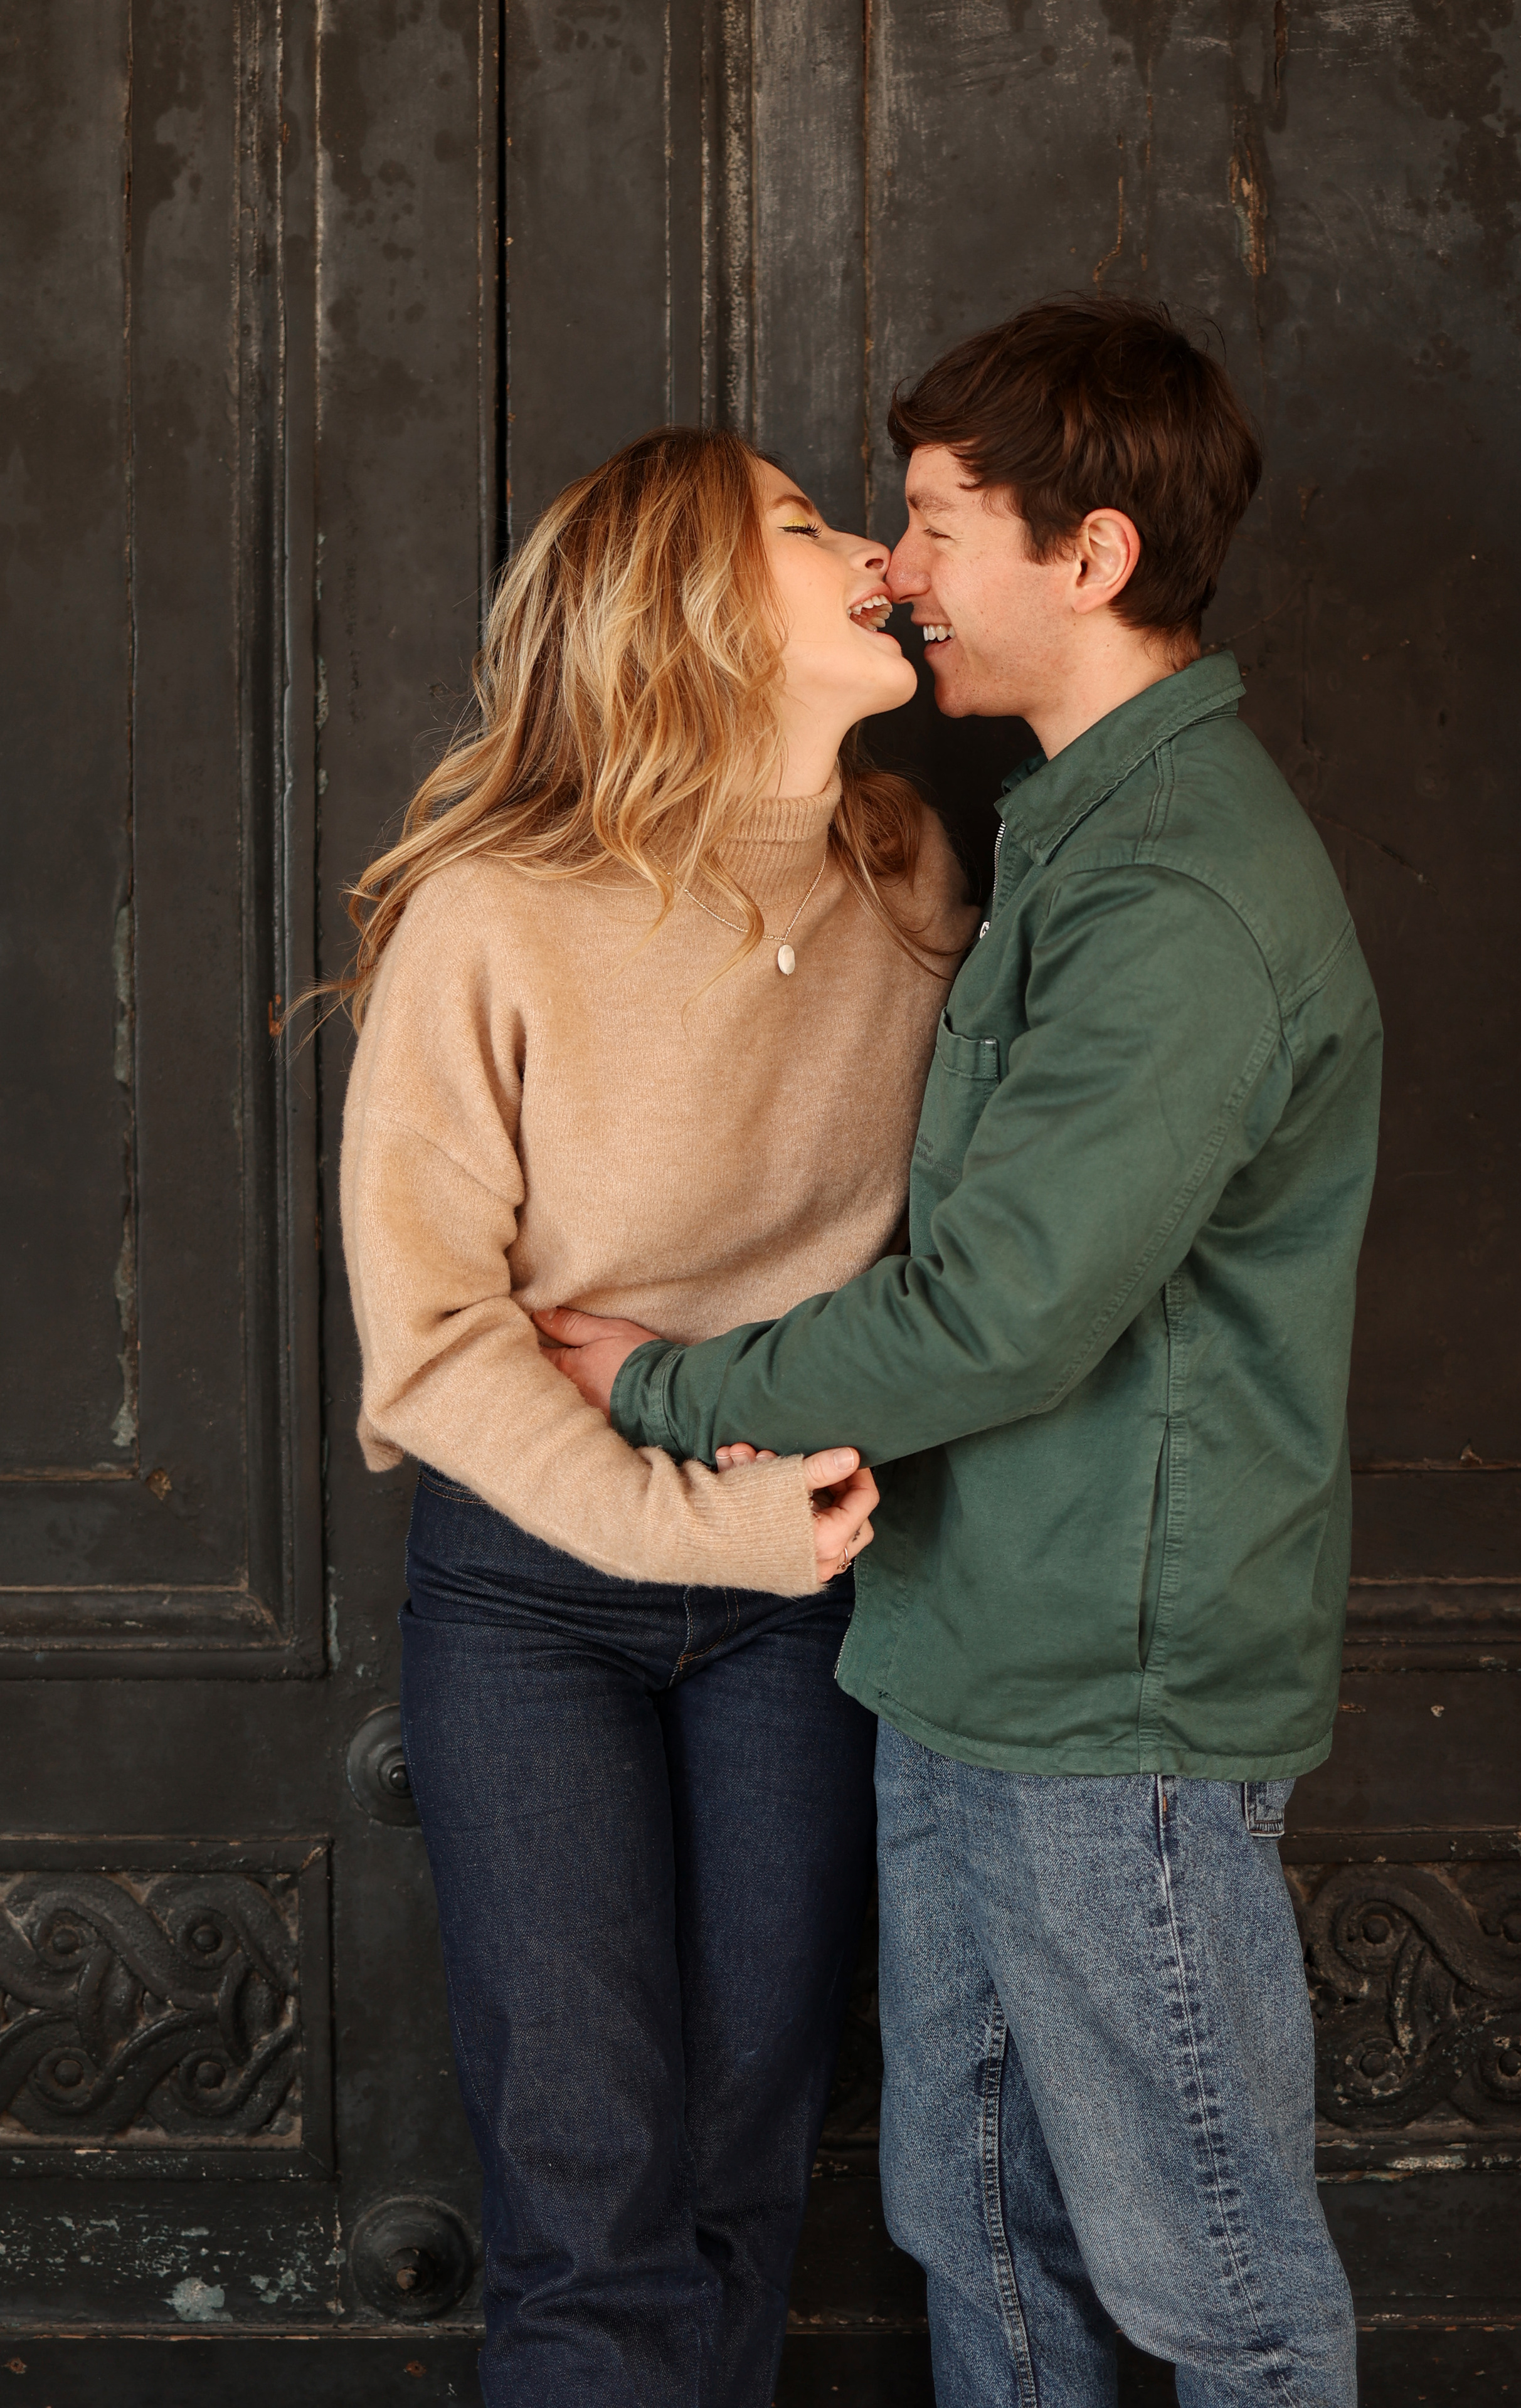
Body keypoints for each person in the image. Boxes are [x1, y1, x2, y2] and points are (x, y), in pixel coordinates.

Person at [542, 297, 1383, 2406]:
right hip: (965, 1657)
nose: (893, 566)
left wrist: (654, 1389)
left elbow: (1002, 1311)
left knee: (1218, 2292)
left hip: (1119, 1709)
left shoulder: (1181, 888)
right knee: (982, 2237)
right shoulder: (1070, 826)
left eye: (927, 519)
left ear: (1089, 560)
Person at [334, 426, 975, 2405]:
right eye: (808, 526)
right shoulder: (493, 914)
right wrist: (698, 1519)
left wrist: (774, 1510)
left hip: (805, 1582)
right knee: (589, 2198)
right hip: (538, 1593)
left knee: (739, 2177)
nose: (873, 546)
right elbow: (435, 1349)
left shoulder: (910, 874)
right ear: (688, 606)